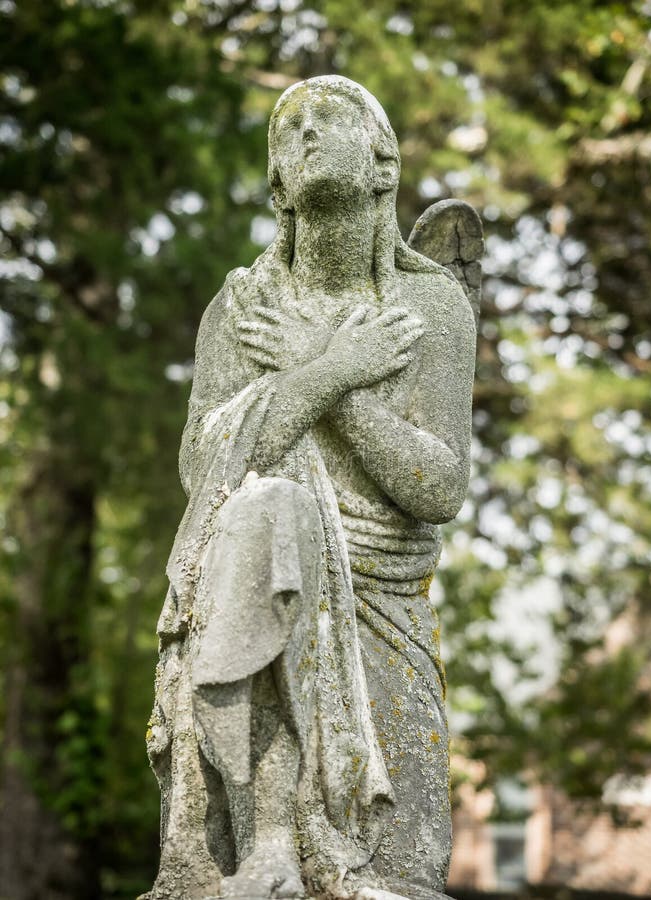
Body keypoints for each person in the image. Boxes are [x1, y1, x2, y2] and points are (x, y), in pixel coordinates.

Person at [145, 75, 476, 900]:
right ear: (277, 185)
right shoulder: (242, 305)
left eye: (330, 118)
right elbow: (203, 470)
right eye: (287, 131)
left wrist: (330, 386)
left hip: (382, 600)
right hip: (256, 589)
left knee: (400, 873)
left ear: (383, 159)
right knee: (266, 512)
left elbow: (437, 487)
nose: (306, 134)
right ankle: (266, 841)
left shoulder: (432, 307)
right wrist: (331, 368)